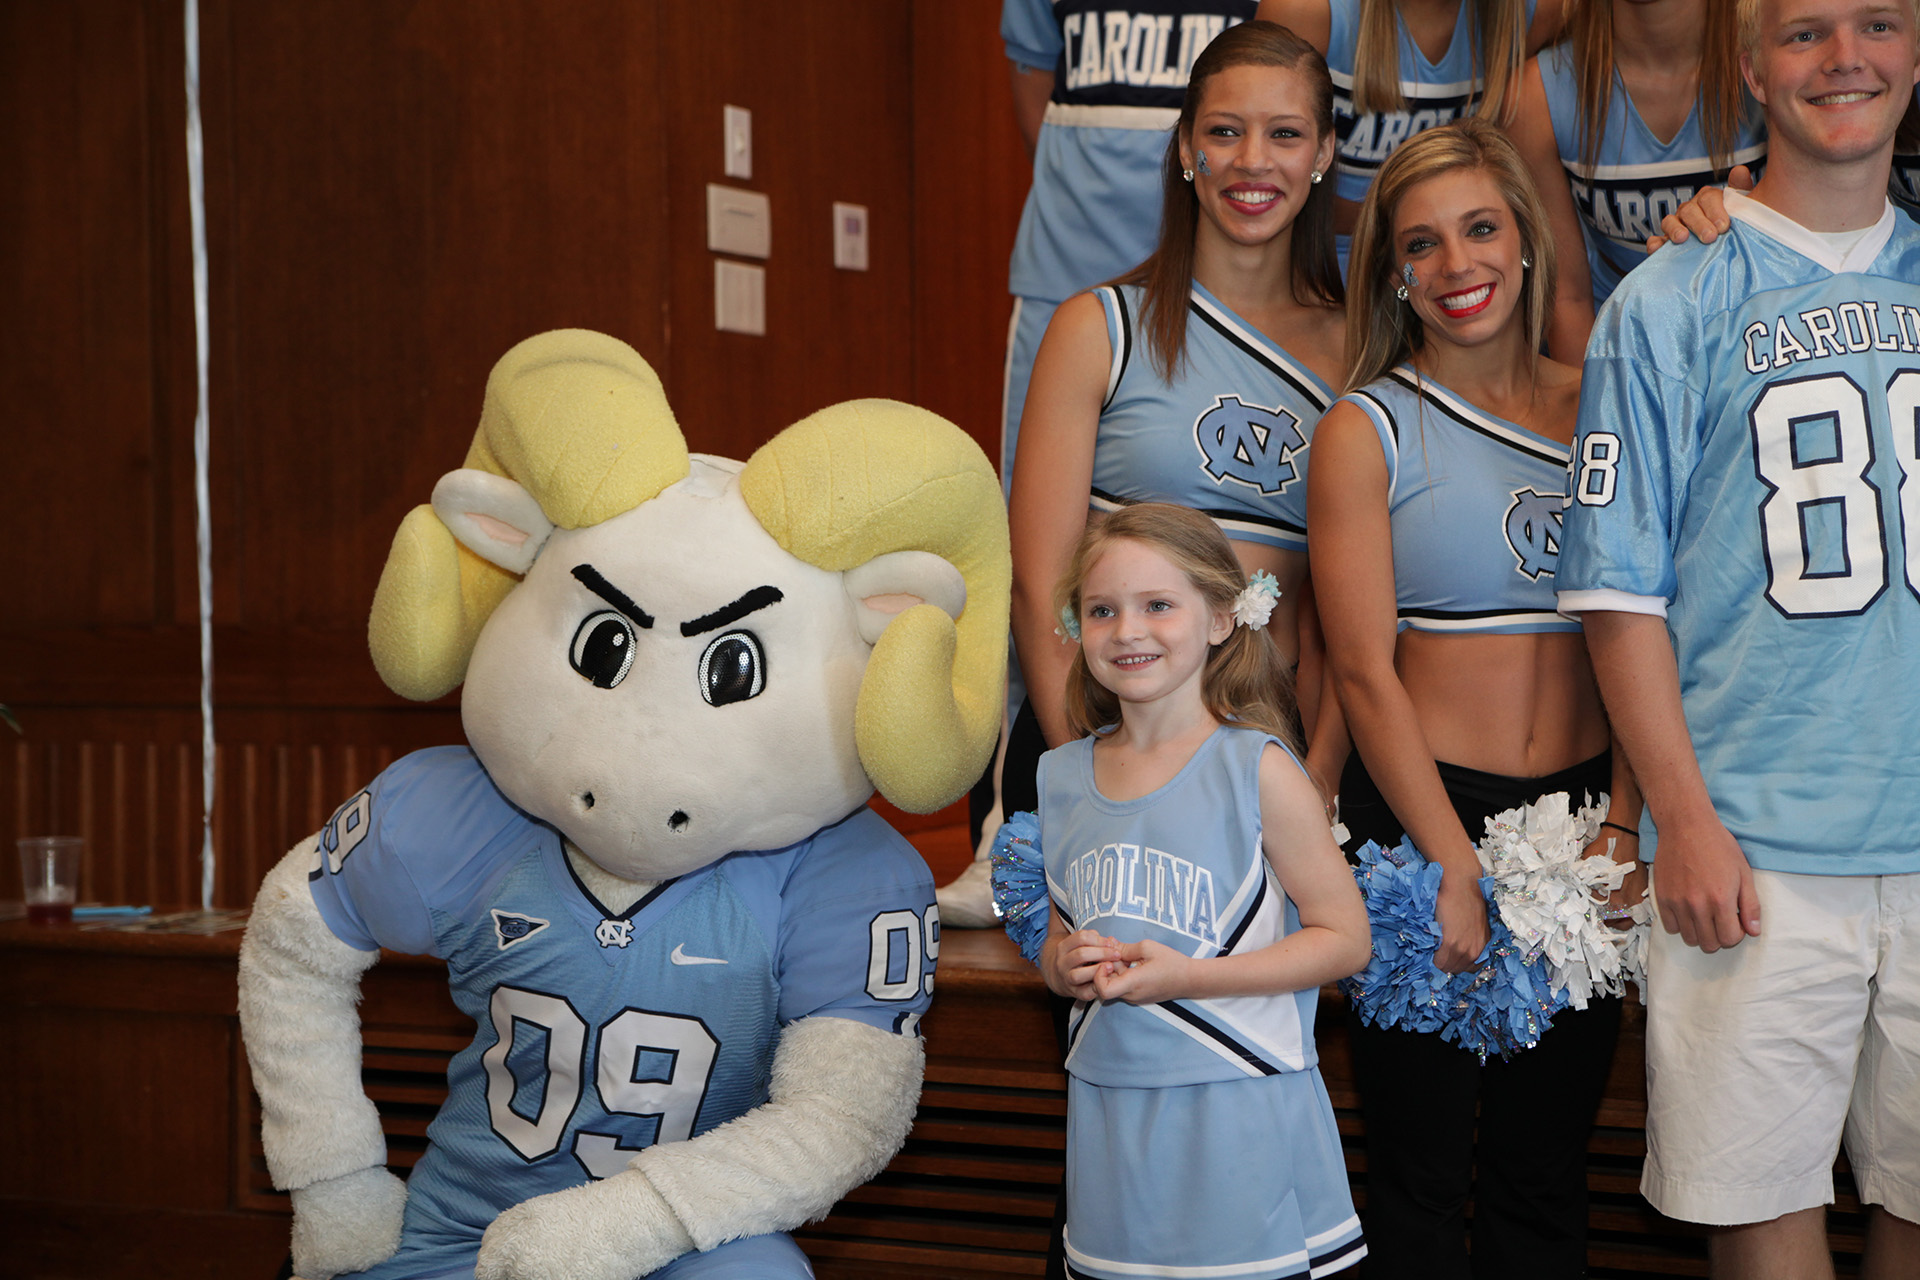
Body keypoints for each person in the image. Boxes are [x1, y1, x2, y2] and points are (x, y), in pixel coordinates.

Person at [1556, 0, 1920, 1273]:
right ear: (1753, 64)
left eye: (1878, 24)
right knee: (1763, 1236)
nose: (1846, 59)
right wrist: (1684, 818)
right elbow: (1617, 594)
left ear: (1918, 53)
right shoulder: (1666, 298)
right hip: (1756, 854)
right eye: (1807, 30)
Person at [1306, 119, 1642, 1278]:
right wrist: (1448, 857)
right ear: (1393, 274)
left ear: (1528, 236)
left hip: (1584, 827)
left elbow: (1652, 632)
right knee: (1419, 1168)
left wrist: (1625, 819)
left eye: (1481, 229)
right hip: (1422, 822)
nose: (1458, 267)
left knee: (1547, 1171)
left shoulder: (1606, 395)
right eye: (1422, 245)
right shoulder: (1367, 429)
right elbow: (1361, 668)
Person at [944, 1, 1258, 927]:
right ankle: (1020, 823)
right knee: (1042, 556)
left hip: (1240, 268)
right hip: (1073, 271)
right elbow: (1034, 94)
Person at [1010, 18, 1346, 814]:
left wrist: (1318, 783)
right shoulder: (1097, 328)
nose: (1252, 161)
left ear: (1325, 154)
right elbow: (1038, 587)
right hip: (1098, 729)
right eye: (1224, 132)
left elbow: (1350, 625)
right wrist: (1095, 784)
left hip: (1271, 745)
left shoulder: (1362, 353)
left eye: (1286, 134)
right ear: (1188, 150)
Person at [1035, 501, 1371, 1280]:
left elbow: (1344, 940)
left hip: (1240, 1111)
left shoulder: (1259, 768)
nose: (1128, 630)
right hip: (1111, 1124)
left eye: (1159, 605)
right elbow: (1058, 939)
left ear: (1222, 618)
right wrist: (1060, 967)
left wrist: (1190, 977)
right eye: (1102, 610)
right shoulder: (1057, 777)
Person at [1507, 0, 1767, 360]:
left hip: (1752, 336)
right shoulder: (1535, 95)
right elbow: (1567, 297)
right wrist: (1598, 406)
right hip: (1617, 345)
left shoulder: (1769, 64)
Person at [1253, 0, 1564, 271]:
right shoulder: (1306, 9)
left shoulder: (1532, 13)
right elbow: (1254, 166)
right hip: (1306, 259)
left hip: (1444, 266)